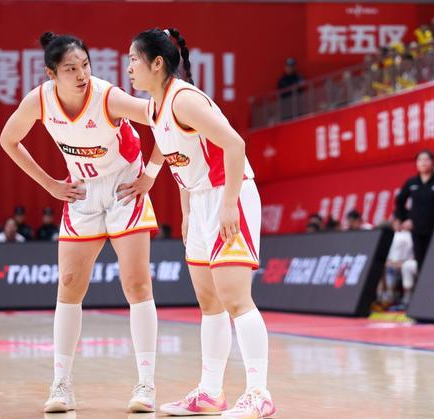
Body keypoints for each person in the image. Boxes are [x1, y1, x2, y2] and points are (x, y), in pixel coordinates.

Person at [119, 28, 276, 418]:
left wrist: (229, 204)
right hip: (202, 200)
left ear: (157, 63)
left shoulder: (184, 100)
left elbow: (234, 144)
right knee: (209, 302)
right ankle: (210, 392)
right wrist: (187, 211)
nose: (129, 68)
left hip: (229, 194)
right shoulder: (155, 107)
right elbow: (178, 158)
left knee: (236, 299)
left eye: (134, 59)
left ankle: (259, 393)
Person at [0, 32, 159, 414]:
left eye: (85, 65)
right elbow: (8, 139)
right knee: (69, 285)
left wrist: (151, 175)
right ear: (51, 74)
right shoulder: (39, 100)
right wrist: (50, 185)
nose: (82, 74)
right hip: (83, 191)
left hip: (124, 186)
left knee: (136, 283)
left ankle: (146, 384)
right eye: (71, 69)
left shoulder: (108, 97)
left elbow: (165, 117)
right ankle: (61, 385)